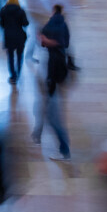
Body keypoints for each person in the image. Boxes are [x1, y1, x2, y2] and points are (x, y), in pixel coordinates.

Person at [31, 8, 73, 161]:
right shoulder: (58, 50)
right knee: (47, 115)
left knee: (55, 120)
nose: (40, 40)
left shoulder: (52, 56)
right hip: (52, 90)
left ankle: (64, 151)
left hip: (53, 91)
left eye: (41, 38)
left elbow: (51, 77)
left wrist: (48, 85)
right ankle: (38, 133)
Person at [0, 0, 28, 83]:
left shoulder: (3, 10)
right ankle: (18, 72)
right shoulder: (20, 10)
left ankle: (13, 76)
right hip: (19, 36)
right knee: (19, 56)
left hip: (8, 36)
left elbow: (1, 24)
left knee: (10, 57)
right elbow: (25, 23)